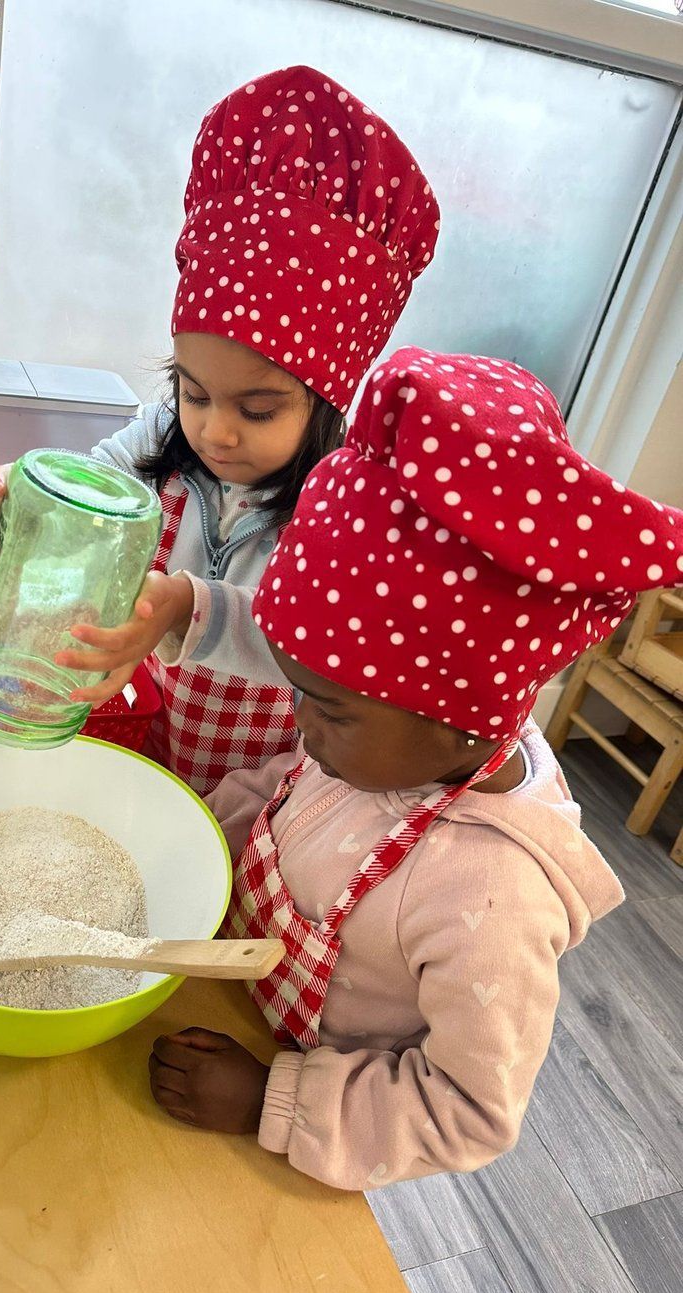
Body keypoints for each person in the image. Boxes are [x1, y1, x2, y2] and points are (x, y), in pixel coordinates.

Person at [148, 345, 682, 1190]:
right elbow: (284, 802)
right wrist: (190, 834)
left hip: (303, 1129)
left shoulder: (490, 900)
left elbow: (468, 1109)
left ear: (460, 721)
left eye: (326, 707)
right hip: (219, 998)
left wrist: (268, 1102)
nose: (299, 723)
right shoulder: (368, 743)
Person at [0, 64, 439, 795]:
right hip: (143, 727)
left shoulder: (345, 508)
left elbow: (302, 639)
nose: (214, 430)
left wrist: (189, 605)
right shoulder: (162, 438)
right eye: (193, 389)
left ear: (326, 401)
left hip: (258, 777)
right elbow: (85, 487)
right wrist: (8, 496)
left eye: (258, 409)